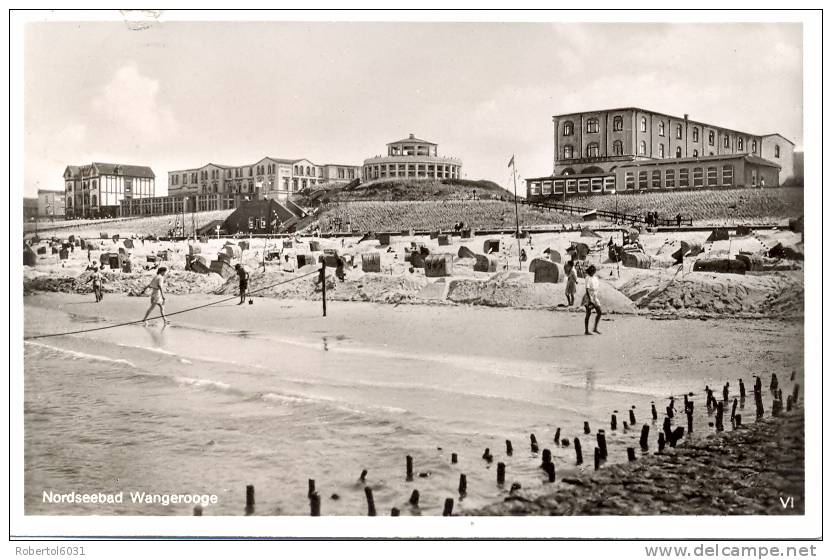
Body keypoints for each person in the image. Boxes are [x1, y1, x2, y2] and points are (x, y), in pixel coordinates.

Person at [582, 264, 602, 335]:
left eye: (594, 270)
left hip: (594, 297)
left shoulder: (595, 278)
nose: (593, 272)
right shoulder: (588, 278)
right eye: (592, 270)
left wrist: (594, 297)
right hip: (588, 297)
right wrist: (590, 299)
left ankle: (595, 328)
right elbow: (587, 289)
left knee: (599, 312)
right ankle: (586, 330)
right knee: (588, 313)